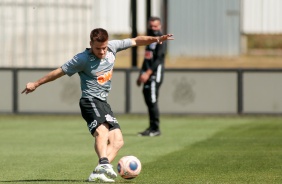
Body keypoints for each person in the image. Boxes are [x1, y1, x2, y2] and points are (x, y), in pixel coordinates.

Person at [22, 28, 173, 182]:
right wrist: (36, 83)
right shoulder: (82, 59)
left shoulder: (113, 47)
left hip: (103, 103)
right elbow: (59, 72)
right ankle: (104, 163)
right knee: (102, 131)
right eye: (98, 48)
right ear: (90, 44)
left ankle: (97, 173)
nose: (102, 52)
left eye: (104, 48)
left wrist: (156, 39)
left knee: (118, 141)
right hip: (89, 101)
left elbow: (136, 40)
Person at [137, 17, 167, 137]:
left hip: (155, 74)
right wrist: (141, 74)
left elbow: (159, 59)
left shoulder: (161, 40)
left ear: (160, 26)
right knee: (148, 98)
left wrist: (148, 73)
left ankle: (156, 128)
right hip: (147, 74)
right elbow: (147, 59)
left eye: (156, 26)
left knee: (153, 100)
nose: (153, 29)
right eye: (151, 26)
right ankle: (151, 127)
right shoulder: (149, 40)